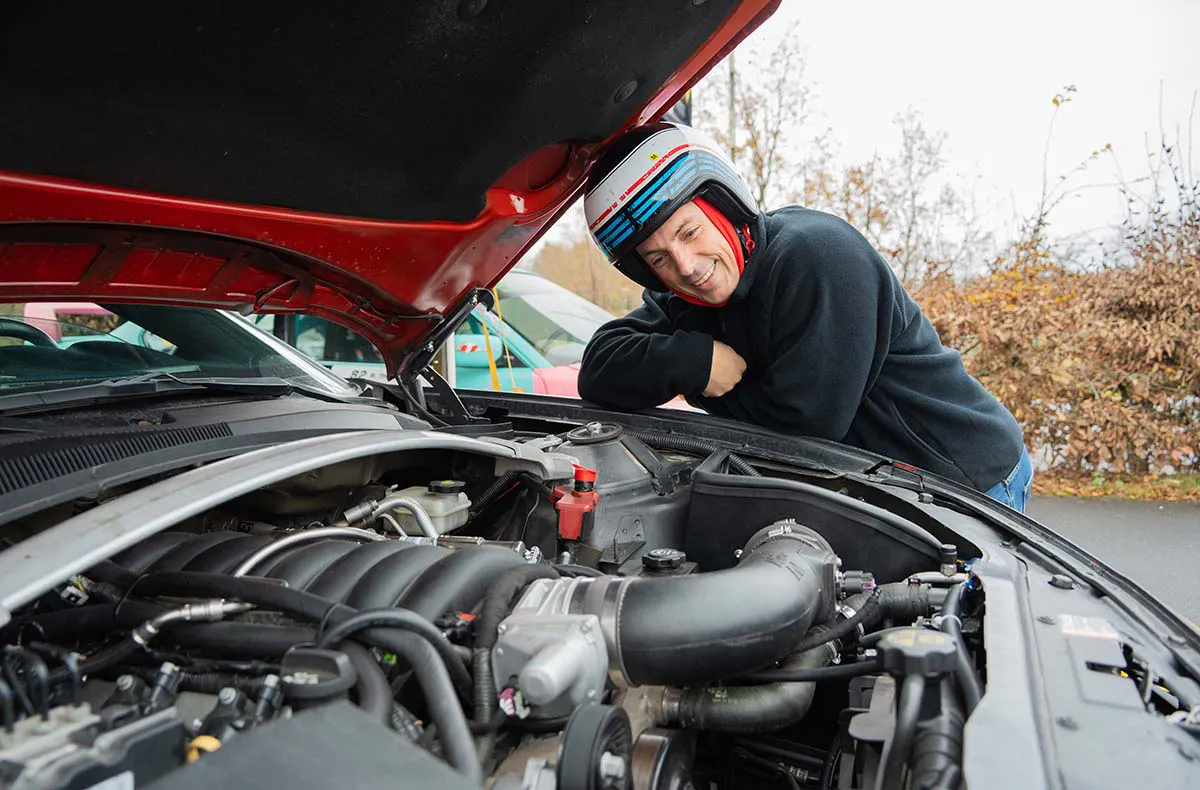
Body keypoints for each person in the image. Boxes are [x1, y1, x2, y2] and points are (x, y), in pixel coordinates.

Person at [577, 122, 1033, 511]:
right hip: (876, 489)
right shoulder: (687, 296)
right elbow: (598, 368)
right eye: (658, 259)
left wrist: (702, 390)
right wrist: (692, 362)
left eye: (690, 232)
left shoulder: (817, 256)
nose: (687, 265)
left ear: (725, 204)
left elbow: (802, 432)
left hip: (963, 478)